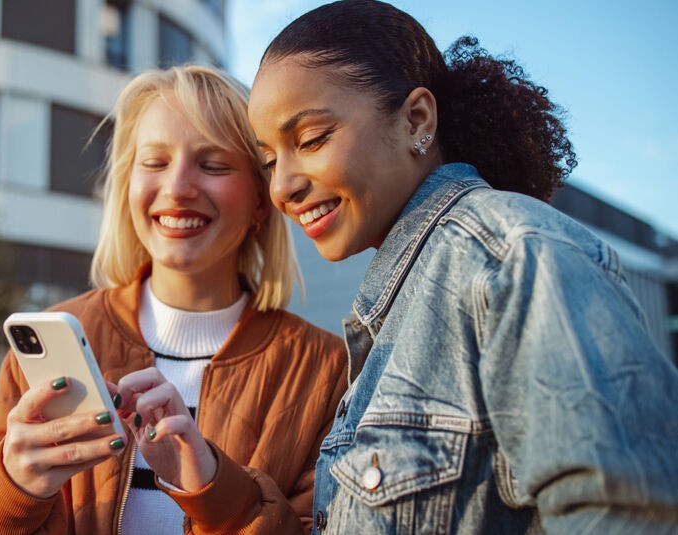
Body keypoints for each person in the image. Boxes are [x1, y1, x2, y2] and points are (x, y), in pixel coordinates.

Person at [247, 1, 678, 533]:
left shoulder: (515, 258)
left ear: (416, 120)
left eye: (311, 140)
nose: (281, 185)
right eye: (269, 160)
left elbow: (630, 512)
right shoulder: (400, 304)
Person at [0, 64, 349, 534]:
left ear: (262, 201)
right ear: (127, 187)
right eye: (155, 162)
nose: (178, 188)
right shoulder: (49, 339)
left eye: (213, 164)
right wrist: (12, 491)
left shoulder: (324, 370)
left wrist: (212, 488)